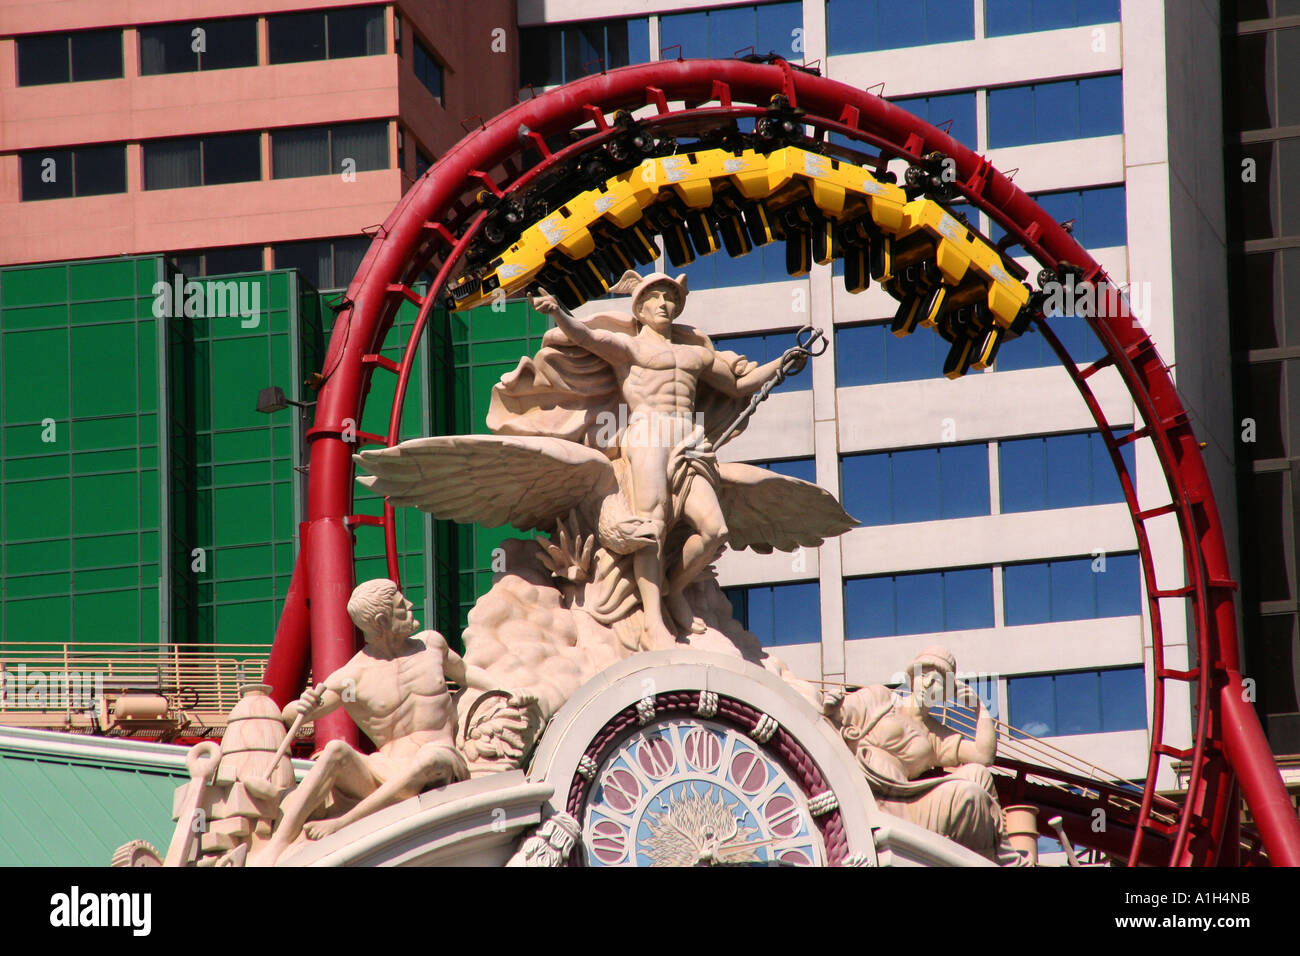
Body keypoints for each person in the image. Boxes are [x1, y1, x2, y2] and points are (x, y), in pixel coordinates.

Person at [530, 273, 798, 649]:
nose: (663, 304)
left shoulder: (696, 355)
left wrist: (782, 364)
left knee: (714, 531)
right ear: (639, 307)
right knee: (650, 526)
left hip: (689, 439)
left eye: (669, 298)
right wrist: (559, 312)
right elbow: (587, 338)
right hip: (646, 434)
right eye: (655, 297)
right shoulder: (629, 348)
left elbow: (738, 386)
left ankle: (674, 587)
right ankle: (653, 620)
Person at [251, 579, 537, 866]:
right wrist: (299, 706)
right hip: (384, 771)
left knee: (430, 757)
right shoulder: (354, 675)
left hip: (441, 762)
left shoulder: (431, 644)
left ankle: (346, 822)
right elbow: (297, 715)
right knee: (335, 750)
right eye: (401, 606)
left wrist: (507, 688)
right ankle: (278, 845)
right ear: (381, 620)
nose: (410, 606)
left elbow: (464, 672)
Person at [826, 646, 1024, 864]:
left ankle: (999, 858)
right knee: (969, 794)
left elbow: (984, 756)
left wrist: (980, 709)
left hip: (905, 798)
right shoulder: (881, 698)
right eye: (923, 675)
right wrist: (832, 705)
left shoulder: (934, 735)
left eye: (937, 681)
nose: (928, 684)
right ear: (912, 679)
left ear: (945, 693)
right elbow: (837, 715)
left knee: (978, 775)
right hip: (870, 790)